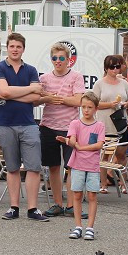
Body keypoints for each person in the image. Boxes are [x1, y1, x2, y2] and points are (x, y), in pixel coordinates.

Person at [0, 33, 48, 222]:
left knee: (33, 167)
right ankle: (13, 207)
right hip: (5, 123)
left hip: (28, 124)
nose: (15, 49)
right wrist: (28, 89)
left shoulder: (31, 70)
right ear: (8, 47)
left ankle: (33, 209)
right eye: (12, 46)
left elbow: (36, 98)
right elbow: (4, 90)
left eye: (19, 46)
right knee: (13, 167)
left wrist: (9, 94)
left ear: (23, 49)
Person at [38, 43, 85, 216]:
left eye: (61, 58)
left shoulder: (76, 76)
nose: (58, 61)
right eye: (54, 58)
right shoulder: (44, 79)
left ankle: (72, 206)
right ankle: (58, 204)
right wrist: (50, 98)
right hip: (48, 126)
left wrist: (58, 99)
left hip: (70, 127)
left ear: (69, 60)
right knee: (53, 167)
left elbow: (78, 101)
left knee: (71, 167)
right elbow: (38, 99)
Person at [60, 92, 105, 240]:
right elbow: (72, 139)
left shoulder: (99, 125)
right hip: (77, 164)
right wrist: (69, 141)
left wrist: (81, 147)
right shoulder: (75, 123)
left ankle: (90, 227)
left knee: (92, 195)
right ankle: (78, 225)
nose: (86, 110)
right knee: (77, 194)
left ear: (96, 109)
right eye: (83, 107)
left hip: (92, 165)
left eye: (90, 107)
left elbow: (99, 144)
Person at [92, 54, 128, 194]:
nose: (115, 69)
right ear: (106, 68)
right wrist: (110, 104)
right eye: (112, 67)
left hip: (120, 123)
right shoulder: (99, 83)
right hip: (105, 123)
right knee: (105, 155)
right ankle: (103, 184)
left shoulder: (124, 83)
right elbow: (94, 104)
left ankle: (122, 182)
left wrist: (125, 104)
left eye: (117, 66)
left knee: (121, 154)